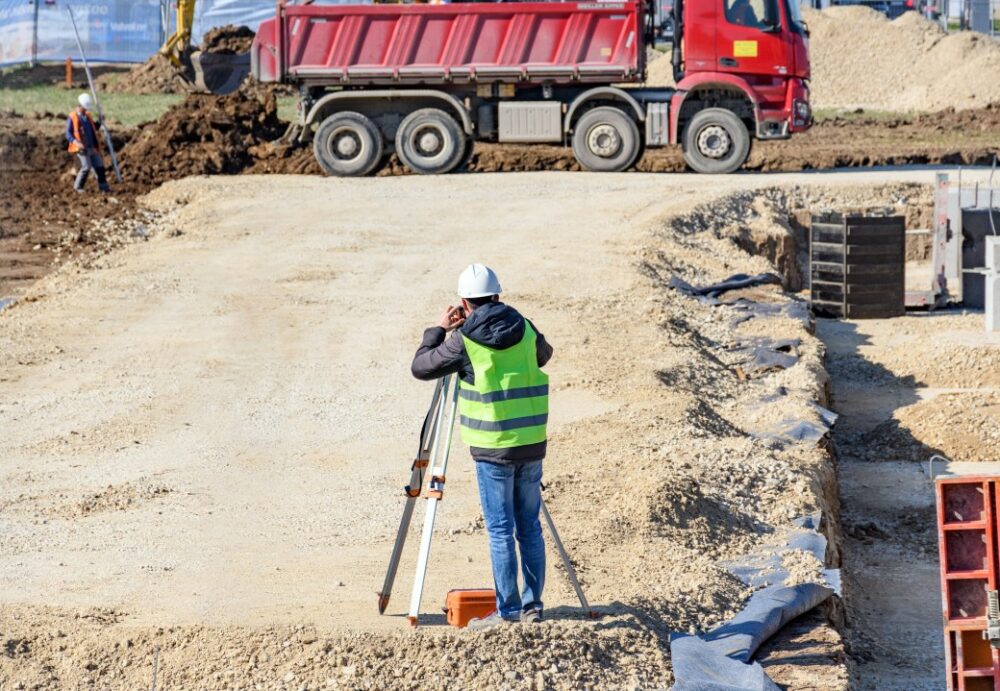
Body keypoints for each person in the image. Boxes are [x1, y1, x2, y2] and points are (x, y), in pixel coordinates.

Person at [411, 264, 553, 630]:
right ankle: (532, 606)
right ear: (498, 296)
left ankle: (507, 613)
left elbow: (422, 367)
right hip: (531, 443)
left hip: (492, 448)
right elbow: (544, 354)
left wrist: (440, 330)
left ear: (464, 303)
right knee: (530, 528)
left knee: (501, 530)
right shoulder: (524, 326)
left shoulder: (464, 340)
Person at [66, 93, 111, 194]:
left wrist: (100, 121)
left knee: (99, 165)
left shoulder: (87, 116)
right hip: (81, 148)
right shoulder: (72, 117)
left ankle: (103, 186)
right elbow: (68, 133)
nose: (86, 110)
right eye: (85, 108)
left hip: (91, 146)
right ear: (80, 106)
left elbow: (94, 128)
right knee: (86, 167)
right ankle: (78, 187)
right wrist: (76, 142)